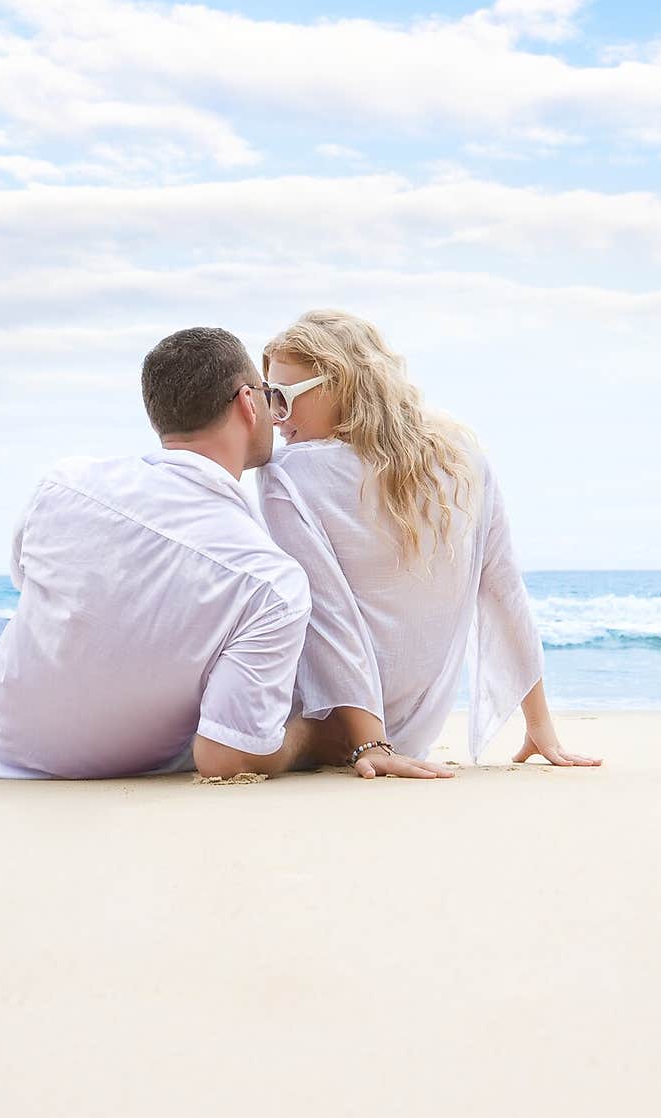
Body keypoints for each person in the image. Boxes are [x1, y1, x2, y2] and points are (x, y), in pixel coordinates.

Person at [0, 325, 452, 783]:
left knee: (4, 631)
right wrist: (317, 739)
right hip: (120, 762)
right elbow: (225, 758)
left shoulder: (64, 485)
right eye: (272, 397)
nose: (277, 415)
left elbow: (38, 591)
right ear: (248, 404)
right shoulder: (271, 581)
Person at [257, 309, 602, 772]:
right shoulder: (464, 460)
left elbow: (327, 613)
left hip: (334, 721)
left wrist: (369, 744)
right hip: (408, 730)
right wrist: (540, 725)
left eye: (282, 396)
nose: (275, 417)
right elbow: (504, 591)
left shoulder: (288, 475)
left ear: (337, 385)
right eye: (266, 398)